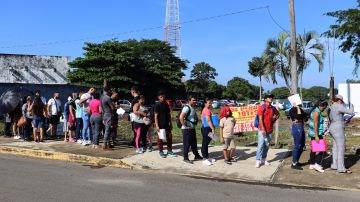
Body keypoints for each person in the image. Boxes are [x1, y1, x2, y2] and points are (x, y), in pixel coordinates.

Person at [329, 94, 354, 174]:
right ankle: (341, 168)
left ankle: (334, 165)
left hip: (332, 126)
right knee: (341, 147)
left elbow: (336, 117)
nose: (341, 102)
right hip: (338, 128)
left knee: (335, 147)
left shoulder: (331, 106)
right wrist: (351, 105)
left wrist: (343, 120)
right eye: (341, 101)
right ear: (339, 100)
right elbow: (351, 112)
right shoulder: (339, 106)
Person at [255, 94, 280, 168]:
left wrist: (274, 119)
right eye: (269, 97)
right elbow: (260, 119)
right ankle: (257, 160)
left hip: (270, 130)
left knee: (266, 145)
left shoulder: (273, 108)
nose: (271, 98)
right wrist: (263, 129)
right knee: (260, 145)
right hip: (262, 130)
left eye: (272, 97)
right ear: (265, 99)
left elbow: (278, 114)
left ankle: (263, 159)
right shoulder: (262, 108)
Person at [179, 95, 202, 164]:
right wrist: (185, 126)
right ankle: (185, 158)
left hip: (192, 128)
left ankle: (197, 156)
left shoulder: (192, 107)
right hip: (187, 129)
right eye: (193, 100)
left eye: (195, 100)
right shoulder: (186, 107)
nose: (195, 101)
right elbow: (181, 117)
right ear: (189, 101)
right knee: (187, 144)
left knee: (194, 143)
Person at [308, 100, 328, 173]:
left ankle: (312, 164)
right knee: (321, 149)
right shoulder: (316, 112)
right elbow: (315, 124)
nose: (324, 109)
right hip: (316, 133)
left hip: (313, 133)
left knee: (314, 149)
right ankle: (317, 164)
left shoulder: (315, 110)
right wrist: (316, 135)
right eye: (324, 108)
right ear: (321, 106)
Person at [154, 91, 176, 158]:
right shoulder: (157, 105)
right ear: (158, 97)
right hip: (160, 125)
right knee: (160, 139)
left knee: (169, 137)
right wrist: (157, 125)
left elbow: (169, 114)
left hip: (167, 124)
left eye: (163, 96)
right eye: (161, 97)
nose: (162, 98)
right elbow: (155, 116)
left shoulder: (166, 104)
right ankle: (161, 151)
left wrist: (171, 123)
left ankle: (169, 150)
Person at [288, 103, 308, 170]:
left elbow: (305, 118)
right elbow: (299, 117)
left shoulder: (301, 109)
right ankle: (294, 163)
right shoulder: (292, 110)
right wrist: (298, 108)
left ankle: (296, 161)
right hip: (297, 127)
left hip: (301, 126)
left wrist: (302, 117)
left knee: (302, 145)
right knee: (297, 145)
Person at [201, 98, 216, 166]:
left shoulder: (207, 110)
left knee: (206, 143)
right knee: (205, 143)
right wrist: (213, 129)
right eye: (209, 103)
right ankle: (204, 159)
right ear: (205, 103)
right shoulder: (206, 110)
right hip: (206, 129)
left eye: (210, 103)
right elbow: (208, 120)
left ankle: (207, 157)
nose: (210, 104)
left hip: (207, 128)